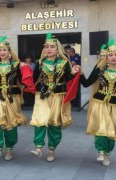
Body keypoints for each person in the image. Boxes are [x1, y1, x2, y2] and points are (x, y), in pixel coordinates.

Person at [0, 36, 35, 161]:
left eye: (4, 50)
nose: (2, 52)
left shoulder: (17, 64)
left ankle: (9, 148)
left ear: (9, 51)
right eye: (0, 50)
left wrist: (25, 68)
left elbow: (24, 81)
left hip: (12, 97)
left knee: (11, 122)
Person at [30, 33, 79, 162]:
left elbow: (68, 79)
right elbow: (33, 79)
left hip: (58, 96)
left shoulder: (64, 62)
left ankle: (52, 149)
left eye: (52, 46)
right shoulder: (40, 62)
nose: (49, 49)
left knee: (54, 123)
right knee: (39, 120)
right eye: (47, 46)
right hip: (42, 96)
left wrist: (73, 73)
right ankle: (38, 147)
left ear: (58, 49)